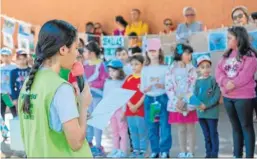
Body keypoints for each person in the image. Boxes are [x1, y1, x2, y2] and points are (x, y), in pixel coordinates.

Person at [18, 20, 92, 157]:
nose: (77, 54)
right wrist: (83, 106)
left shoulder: (29, 82)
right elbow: (76, 143)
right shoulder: (61, 88)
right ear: (63, 50)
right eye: (76, 48)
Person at [215, 26, 257, 158]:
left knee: (246, 126)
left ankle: (249, 155)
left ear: (238, 38)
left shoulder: (249, 55)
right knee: (235, 127)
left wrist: (230, 85)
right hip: (228, 97)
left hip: (243, 97)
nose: (226, 40)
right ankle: (237, 155)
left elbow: (245, 76)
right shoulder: (227, 54)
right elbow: (218, 70)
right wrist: (224, 82)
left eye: (229, 38)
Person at [165, 43, 198, 158]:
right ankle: (183, 151)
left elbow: (193, 86)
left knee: (190, 128)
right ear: (180, 54)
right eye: (187, 54)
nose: (189, 56)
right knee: (181, 129)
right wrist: (176, 102)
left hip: (188, 103)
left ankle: (191, 152)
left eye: (190, 54)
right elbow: (168, 86)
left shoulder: (192, 69)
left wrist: (184, 101)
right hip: (176, 105)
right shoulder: (171, 69)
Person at [140, 38, 171, 158]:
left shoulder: (165, 68)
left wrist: (162, 86)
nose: (152, 53)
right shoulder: (145, 69)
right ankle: (155, 150)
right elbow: (142, 87)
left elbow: (170, 84)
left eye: (155, 50)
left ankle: (165, 150)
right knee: (152, 126)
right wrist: (145, 89)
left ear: (159, 52)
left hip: (162, 98)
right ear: (147, 53)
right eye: (150, 51)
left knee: (164, 126)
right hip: (150, 99)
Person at [83, 41, 108, 157]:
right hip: (86, 97)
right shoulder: (84, 65)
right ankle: (89, 144)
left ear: (92, 53)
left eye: (85, 51)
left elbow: (104, 81)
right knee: (88, 121)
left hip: (97, 97)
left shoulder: (101, 65)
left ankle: (98, 146)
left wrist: (93, 85)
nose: (83, 53)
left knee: (96, 122)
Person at [194, 55, 220, 158]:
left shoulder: (213, 80)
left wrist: (207, 105)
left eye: (208, 66)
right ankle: (208, 154)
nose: (206, 69)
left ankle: (214, 154)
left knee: (213, 134)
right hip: (201, 114)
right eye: (202, 67)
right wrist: (198, 105)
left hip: (212, 114)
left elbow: (216, 95)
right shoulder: (197, 82)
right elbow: (194, 96)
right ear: (198, 69)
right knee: (206, 135)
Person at [122, 55, 147, 158]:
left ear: (142, 65)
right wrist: (130, 105)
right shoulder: (129, 78)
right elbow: (124, 93)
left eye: (136, 64)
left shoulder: (144, 78)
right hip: (130, 109)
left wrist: (137, 105)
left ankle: (143, 150)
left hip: (141, 109)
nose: (134, 66)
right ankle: (135, 150)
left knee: (142, 130)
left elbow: (145, 94)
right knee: (133, 130)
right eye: (132, 64)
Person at [103, 59, 128, 158]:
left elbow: (126, 98)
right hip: (111, 110)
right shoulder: (107, 82)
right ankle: (115, 150)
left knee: (123, 131)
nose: (111, 73)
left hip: (120, 110)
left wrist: (124, 111)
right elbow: (105, 97)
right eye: (109, 71)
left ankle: (123, 151)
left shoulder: (123, 82)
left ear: (120, 70)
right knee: (114, 131)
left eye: (114, 71)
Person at [0, 48, 17, 121]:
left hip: (10, 94)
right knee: (1, 113)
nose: (5, 58)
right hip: (2, 93)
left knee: (14, 112)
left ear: (10, 56)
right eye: (3, 56)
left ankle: (16, 128)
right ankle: (3, 131)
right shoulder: (0, 67)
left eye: (6, 56)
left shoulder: (15, 67)